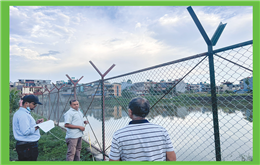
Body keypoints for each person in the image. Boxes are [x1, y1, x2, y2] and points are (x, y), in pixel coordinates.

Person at [109, 97, 177, 161]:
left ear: (130, 112)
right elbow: (172, 159)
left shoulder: (119, 135)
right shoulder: (162, 131)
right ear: (147, 112)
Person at [12, 95, 44, 161]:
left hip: (26, 146)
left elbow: (26, 127)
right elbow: (26, 132)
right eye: (34, 104)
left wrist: (36, 123)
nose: (35, 106)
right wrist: (37, 127)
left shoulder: (21, 113)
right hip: (28, 147)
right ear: (26, 103)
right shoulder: (23, 115)